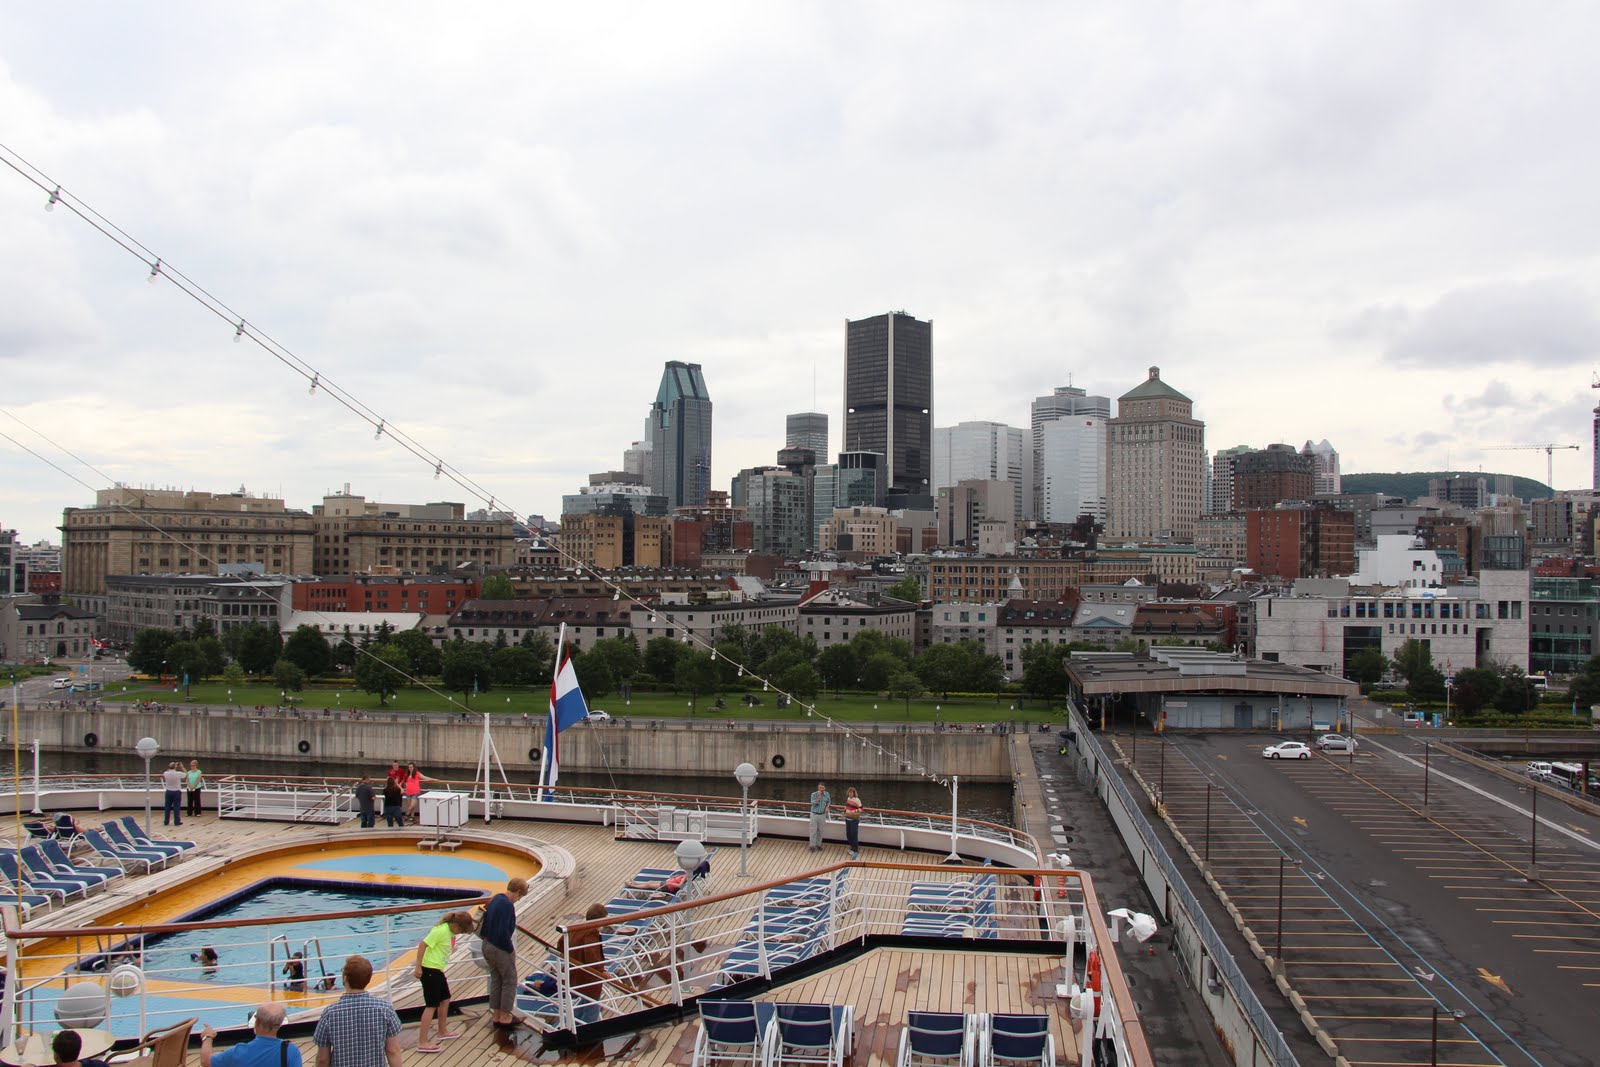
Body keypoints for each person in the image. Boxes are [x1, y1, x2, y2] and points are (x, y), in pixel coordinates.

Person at [313, 955, 402, 1067]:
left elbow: (323, 1059)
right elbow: (392, 1051)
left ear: (345, 979)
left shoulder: (330, 1013)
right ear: (368, 979)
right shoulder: (385, 1009)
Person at [413, 911, 477, 1051]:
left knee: (445, 998)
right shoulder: (440, 931)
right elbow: (423, 945)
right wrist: (418, 967)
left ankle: (442, 1031)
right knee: (431, 1005)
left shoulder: (450, 932)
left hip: (438, 969)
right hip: (430, 969)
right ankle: (422, 1041)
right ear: (456, 926)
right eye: (461, 930)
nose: (460, 933)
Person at [480, 877, 529, 1028]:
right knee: (510, 980)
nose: (519, 899)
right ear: (518, 892)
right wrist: (510, 949)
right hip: (499, 948)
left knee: (496, 979)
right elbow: (503, 932)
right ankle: (505, 1016)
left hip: (487, 944)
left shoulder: (496, 898)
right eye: (521, 896)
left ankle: (496, 1014)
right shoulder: (507, 905)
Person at [200, 1002, 301, 1067]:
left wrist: (208, 1037)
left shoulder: (239, 1052)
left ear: (257, 1022)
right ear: (279, 1024)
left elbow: (206, 1062)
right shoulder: (290, 1050)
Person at [565, 902, 609, 1025]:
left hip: (576, 973)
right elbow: (591, 954)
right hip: (589, 977)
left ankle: (570, 1026)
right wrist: (601, 971)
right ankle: (587, 1031)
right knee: (591, 1008)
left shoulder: (576, 929)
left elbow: (561, 944)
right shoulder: (591, 932)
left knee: (583, 1003)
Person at [808, 782, 831, 851]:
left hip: (822, 814)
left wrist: (827, 807)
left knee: (820, 831)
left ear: (825, 788)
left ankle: (818, 844)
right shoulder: (814, 794)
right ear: (818, 788)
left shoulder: (827, 794)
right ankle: (812, 845)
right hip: (814, 814)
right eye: (820, 787)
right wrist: (818, 798)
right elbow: (813, 803)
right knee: (813, 830)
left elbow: (828, 802)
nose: (821, 789)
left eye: (823, 788)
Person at [161, 761, 185, 827]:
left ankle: (166, 821)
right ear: (175, 767)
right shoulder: (178, 773)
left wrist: (173, 766)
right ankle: (177, 821)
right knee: (176, 807)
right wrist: (182, 767)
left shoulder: (166, 773)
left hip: (168, 791)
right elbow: (186, 774)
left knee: (167, 807)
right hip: (176, 791)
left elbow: (167, 771)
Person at [844, 786, 864, 860]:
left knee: (853, 834)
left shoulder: (857, 800)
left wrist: (855, 811)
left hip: (854, 820)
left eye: (852, 793)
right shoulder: (848, 799)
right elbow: (848, 806)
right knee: (848, 834)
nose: (850, 794)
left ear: (854, 793)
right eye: (849, 793)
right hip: (847, 818)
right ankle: (852, 847)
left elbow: (861, 808)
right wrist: (845, 810)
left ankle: (855, 849)